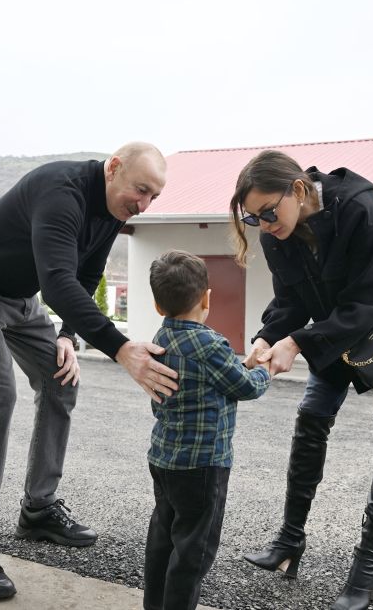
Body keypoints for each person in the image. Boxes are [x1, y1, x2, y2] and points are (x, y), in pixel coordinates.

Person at [0, 142, 179, 600]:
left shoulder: (113, 209)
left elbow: (86, 276)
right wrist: (120, 348)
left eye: (154, 197)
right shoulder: (61, 192)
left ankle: (38, 509)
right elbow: (58, 282)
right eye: (141, 190)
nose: (144, 205)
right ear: (113, 168)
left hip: (18, 298)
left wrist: (67, 336)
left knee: (60, 380)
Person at [229, 150, 373, 610]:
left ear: (299, 190)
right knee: (311, 419)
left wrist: (297, 343)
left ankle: (366, 567)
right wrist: (267, 336)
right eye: (253, 218)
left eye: (268, 212)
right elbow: (290, 300)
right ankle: (289, 540)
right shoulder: (277, 233)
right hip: (338, 325)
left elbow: (370, 300)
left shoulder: (360, 209)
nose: (264, 225)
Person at [143, 250, 270, 610]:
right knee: (194, 549)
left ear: (157, 304)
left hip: (164, 459)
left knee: (163, 537)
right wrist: (266, 370)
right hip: (202, 465)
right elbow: (246, 386)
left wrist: (242, 366)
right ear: (206, 299)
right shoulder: (210, 344)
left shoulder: (158, 339)